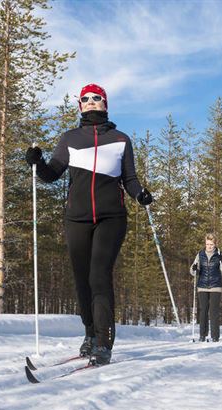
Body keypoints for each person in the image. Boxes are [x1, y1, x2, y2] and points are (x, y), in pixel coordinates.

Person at [25, 84, 153, 365]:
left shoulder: (121, 139)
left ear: (105, 104)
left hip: (111, 217)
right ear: (80, 106)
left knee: (98, 275)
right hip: (77, 218)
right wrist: (37, 163)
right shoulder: (69, 138)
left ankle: (104, 342)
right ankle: (90, 335)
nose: (91, 102)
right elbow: (52, 174)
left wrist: (140, 194)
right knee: (82, 279)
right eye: (85, 99)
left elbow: (129, 179)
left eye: (97, 98)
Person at [190, 234, 222, 342]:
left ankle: (215, 336)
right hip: (202, 286)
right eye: (207, 244)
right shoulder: (200, 255)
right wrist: (194, 269)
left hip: (215, 286)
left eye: (211, 244)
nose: (209, 246)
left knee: (214, 311)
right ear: (205, 244)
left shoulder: (219, 254)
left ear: (215, 244)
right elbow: (193, 271)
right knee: (203, 311)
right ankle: (202, 335)